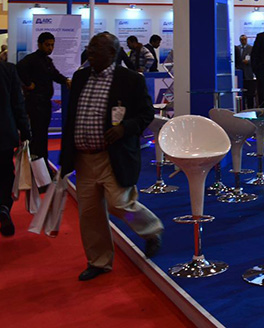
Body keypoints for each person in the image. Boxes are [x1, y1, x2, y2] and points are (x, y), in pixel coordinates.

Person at [59, 32, 163, 281]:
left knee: (120, 204)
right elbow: (72, 117)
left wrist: (124, 128)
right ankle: (99, 261)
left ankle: (151, 230)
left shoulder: (130, 80)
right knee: (90, 214)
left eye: (95, 49)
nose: (90, 52)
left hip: (112, 156)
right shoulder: (81, 76)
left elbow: (146, 114)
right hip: (83, 157)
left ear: (112, 53)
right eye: (89, 48)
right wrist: (66, 154)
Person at [17, 31, 71, 164]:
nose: (50, 48)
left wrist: (66, 80)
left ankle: (42, 162)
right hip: (36, 102)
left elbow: (55, 75)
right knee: (38, 134)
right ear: (40, 44)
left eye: (52, 45)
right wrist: (28, 84)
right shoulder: (32, 59)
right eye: (47, 45)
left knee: (42, 134)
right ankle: (38, 162)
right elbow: (19, 68)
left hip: (45, 102)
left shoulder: (47, 61)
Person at [0, 59, 31, 237]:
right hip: (4, 133)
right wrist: (25, 131)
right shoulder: (8, 69)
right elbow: (18, 104)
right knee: (5, 173)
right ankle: (4, 206)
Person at [235, 34, 256, 110]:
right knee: (241, 93)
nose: (243, 41)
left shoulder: (251, 48)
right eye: (242, 40)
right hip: (240, 73)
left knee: (250, 93)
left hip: (248, 73)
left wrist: (248, 62)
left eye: (245, 39)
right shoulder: (237, 48)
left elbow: (254, 59)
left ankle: (250, 108)